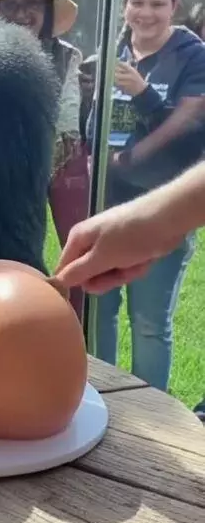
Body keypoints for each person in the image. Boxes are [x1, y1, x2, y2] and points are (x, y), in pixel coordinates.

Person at [85, 0, 205, 392]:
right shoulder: (113, 49)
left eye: (157, 4)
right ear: (124, 5)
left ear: (174, 5)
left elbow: (191, 136)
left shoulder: (192, 56)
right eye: (138, 2)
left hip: (161, 209)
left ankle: (151, 416)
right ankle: (104, 398)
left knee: (149, 320)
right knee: (99, 308)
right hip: (107, 204)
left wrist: (144, 94)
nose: (146, 13)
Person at [0, 0, 89, 320]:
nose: (22, 14)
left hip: (57, 160)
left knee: (78, 248)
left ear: (48, 11)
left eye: (32, 4)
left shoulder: (68, 57)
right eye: (13, 4)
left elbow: (68, 124)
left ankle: (75, 319)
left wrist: (35, 168)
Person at [55, 160, 205, 422]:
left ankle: (152, 417)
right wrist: (161, 217)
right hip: (120, 195)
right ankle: (121, 412)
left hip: (154, 179)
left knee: (150, 325)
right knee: (106, 313)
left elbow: (187, 121)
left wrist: (132, 159)